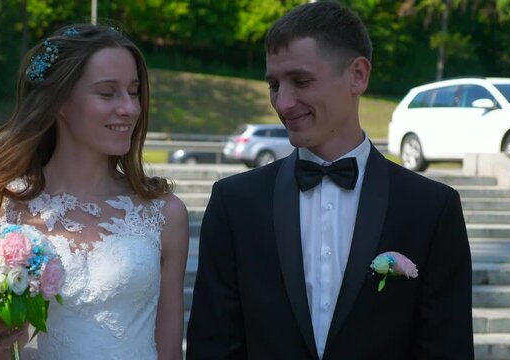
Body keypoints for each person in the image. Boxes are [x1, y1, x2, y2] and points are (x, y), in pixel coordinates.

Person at [186, 1, 473, 359]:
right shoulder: (235, 203)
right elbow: (212, 346)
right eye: (274, 85)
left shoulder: (431, 208)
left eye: (301, 81)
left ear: (358, 75)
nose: (283, 102)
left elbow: (447, 349)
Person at [0, 24, 189, 359]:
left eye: (134, 91)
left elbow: (170, 352)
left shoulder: (164, 213)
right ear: (59, 101)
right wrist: (7, 336)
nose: (130, 108)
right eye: (108, 93)